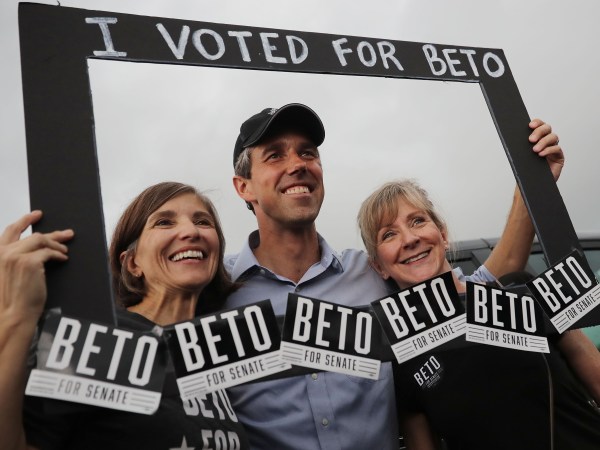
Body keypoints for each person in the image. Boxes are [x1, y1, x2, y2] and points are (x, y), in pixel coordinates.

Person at [225, 103, 562, 449]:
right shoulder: (214, 290)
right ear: (243, 187)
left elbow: (473, 296)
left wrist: (532, 186)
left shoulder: (370, 274)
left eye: (307, 153)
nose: (297, 164)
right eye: (275, 156)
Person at [0, 182, 250, 450]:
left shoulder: (214, 353)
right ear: (132, 263)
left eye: (202, 221)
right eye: (164, 222)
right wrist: (16, 315)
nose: (191, 231)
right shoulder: (93, 336)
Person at [357, 178, 600, 450]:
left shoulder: (516, 292)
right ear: (379, 267)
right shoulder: (402, 360)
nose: (410, 239)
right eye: (389, 234)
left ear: (443, 234)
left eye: (417, 221)